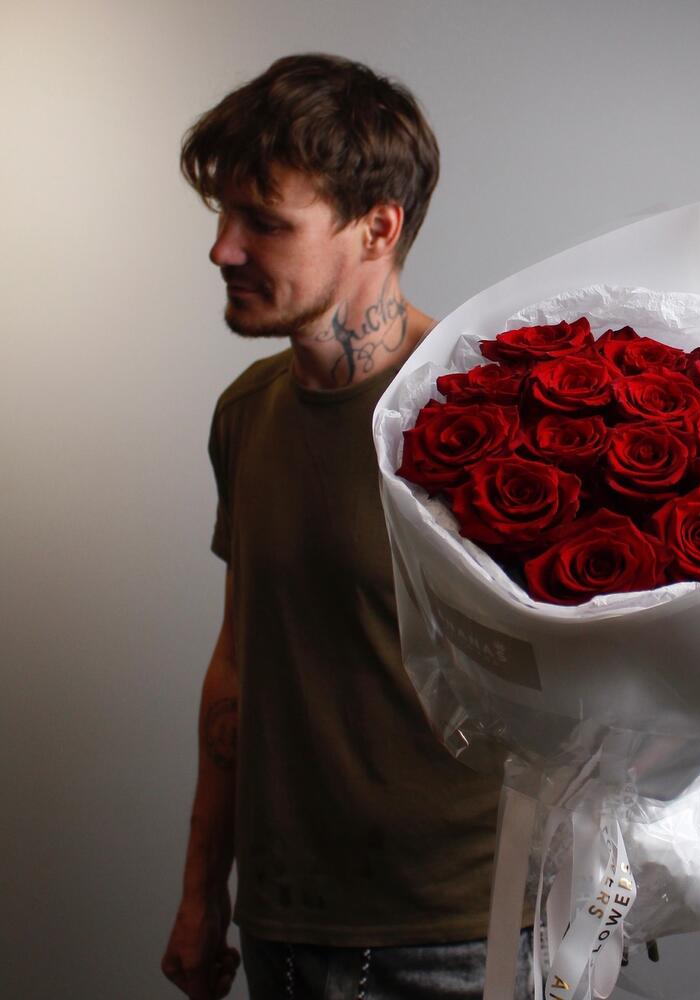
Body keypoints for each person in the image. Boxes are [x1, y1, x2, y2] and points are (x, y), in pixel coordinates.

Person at [161, 54, 530, 1000]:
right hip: (283, 928)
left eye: (264, 222)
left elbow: (590, 688)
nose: (223, 250)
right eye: (223, 216)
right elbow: (239, 663)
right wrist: (202, 894)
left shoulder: (489, 416)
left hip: (461, 937)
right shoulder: (247, 412)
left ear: (377, 227)